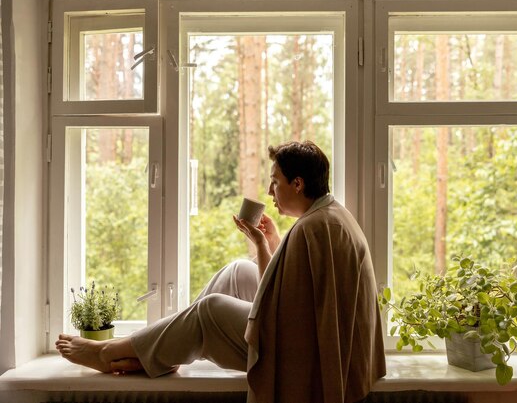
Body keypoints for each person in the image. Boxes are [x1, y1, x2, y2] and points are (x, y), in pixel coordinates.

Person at [56, 140, 386, 403]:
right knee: (237, 272)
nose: (270, 193)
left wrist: (260, 245)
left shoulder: (313, 227)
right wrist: (268, 242)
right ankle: (155, 350)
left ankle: (110, 352)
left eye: (275, 183)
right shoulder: (327, 215)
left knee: (210, 309)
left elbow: (282, 309)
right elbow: (293, 293)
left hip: (298, 353)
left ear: (297, 184)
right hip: (302, 332)